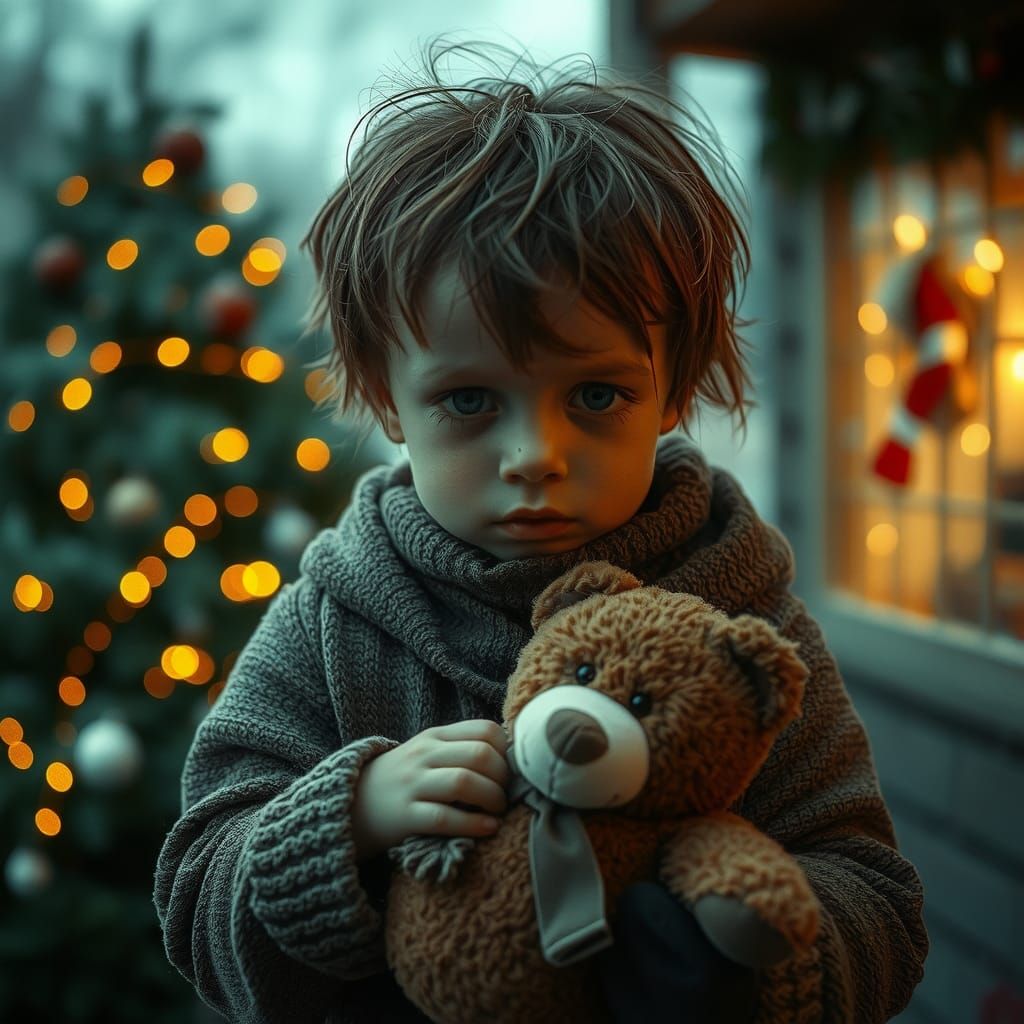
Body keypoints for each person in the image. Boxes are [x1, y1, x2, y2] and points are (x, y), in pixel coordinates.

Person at [153, 35, 928, 1024]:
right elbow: (196, 894)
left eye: (596, 392)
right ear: (389, 401)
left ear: (672, 388)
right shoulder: (335, 620)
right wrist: (349, 817)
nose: (536, 453)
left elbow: (877, 898)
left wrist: (753, 972)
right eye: (471, 400)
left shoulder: (744, 618)